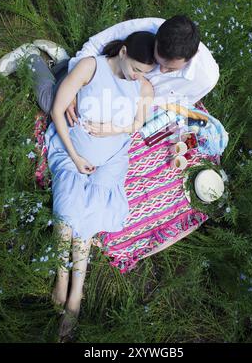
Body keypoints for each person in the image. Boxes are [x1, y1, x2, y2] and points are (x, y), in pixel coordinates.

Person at [44, 31, 155, 341]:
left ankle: (77, 294)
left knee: (90, 213)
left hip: (112, 159)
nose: (137, 77)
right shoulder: (91, 67)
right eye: (136, 68)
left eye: (144, 73)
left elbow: (136, 126)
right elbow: (57, 110)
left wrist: (111, 129)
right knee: (68, 206)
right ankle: (62, 276)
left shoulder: (143, 87)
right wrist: (76, 157)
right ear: (122, 52)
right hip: (72, 151)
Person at [0, 15, 220, 127]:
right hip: (100, 75)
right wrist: (74, 89)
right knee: (56, 107)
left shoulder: (205, 79)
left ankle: (62, 62)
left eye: (169, 68)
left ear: (191, 58)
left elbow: (175, 104)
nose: (159, 70)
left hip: (123, 100)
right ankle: (29, 57)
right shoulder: (147, 28)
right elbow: (93, 46)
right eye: (157, 59)